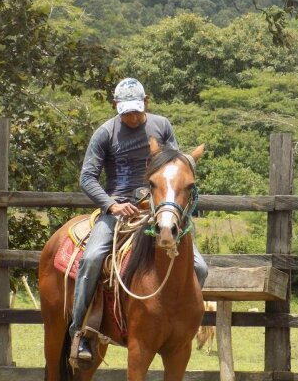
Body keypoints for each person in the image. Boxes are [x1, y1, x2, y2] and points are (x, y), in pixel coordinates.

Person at [70, 77, 208, 361]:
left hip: (158, 209)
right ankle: (79, 331)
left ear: (146, 103)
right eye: (126, 112)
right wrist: (111, 205)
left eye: (136, 110)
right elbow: (87, 178)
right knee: (93, 258)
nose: (132, 117)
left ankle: (184, 325)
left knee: (200, 267)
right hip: (118, 212)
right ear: (115, 107)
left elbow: (175, 166)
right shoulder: (105, 133)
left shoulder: (162, 126)